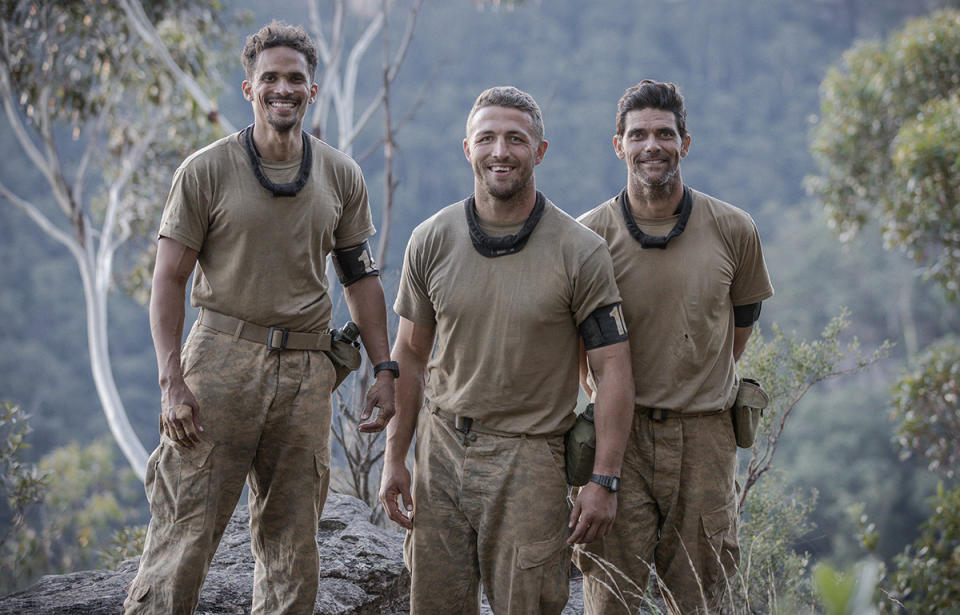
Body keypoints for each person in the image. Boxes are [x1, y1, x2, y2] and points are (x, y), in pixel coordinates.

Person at [123, 22, 397, 615]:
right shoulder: (205, 171)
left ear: (312, 90)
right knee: (186, 528)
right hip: (220, 361)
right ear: (248, 88)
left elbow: (361, 277)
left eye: (294, 78)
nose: (282, 88)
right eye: (269, 78)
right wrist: (172, 381)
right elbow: (168, 280)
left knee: (294, 540)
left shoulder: (339, 174)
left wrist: (385, 368)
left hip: (306, 370)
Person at [378, 86, 635, 614]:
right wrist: (395, 457)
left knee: (527, 603)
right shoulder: (431, 239)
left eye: (516, 139)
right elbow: (410, 353)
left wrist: (603, 479)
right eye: (487, 138)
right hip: (443, 449)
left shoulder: (579, 250)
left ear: (539, 151)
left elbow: (612, 369)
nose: (500, 151)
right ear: (466, 148)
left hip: (530, 457)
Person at [572, 80, 774, 614]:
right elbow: (570, 339)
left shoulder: (734, 229)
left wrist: (698, 378)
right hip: (620, 437)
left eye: (665, 133)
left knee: (700, 597)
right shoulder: (587, 238)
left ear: (686, 142)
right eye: (638, 134)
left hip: (705, 440)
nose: (651, 145)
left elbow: (742, 320)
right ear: (618, 145)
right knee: (610, 593)